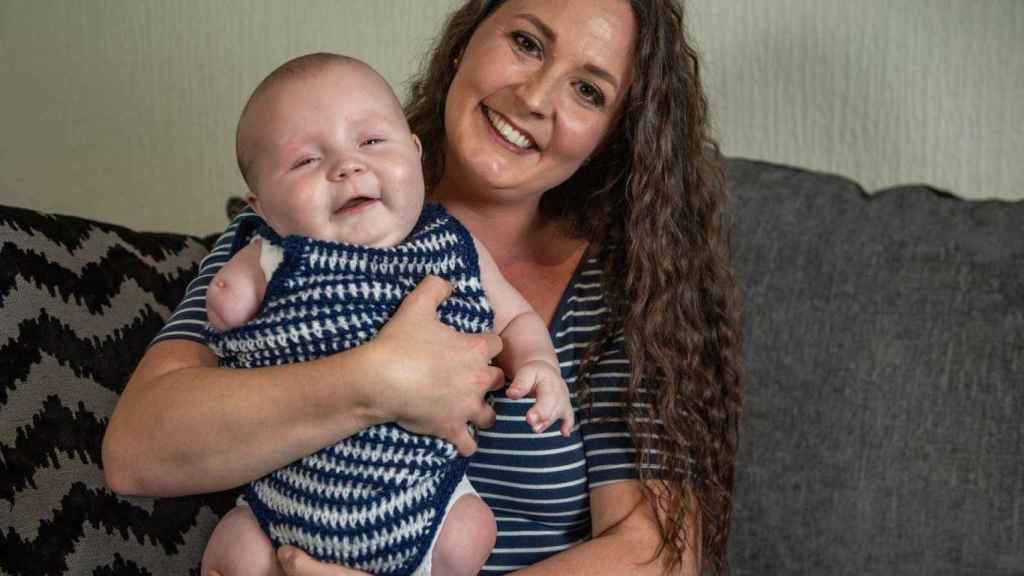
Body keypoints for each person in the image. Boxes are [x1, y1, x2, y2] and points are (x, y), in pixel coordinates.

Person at [103, 1, 743, 575]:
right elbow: (137, 453)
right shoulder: (290, 228)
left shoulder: (627, 295)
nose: (536, 96)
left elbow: (657, 557)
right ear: (466, 42)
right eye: (526, 43)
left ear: (611, 135)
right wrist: (377, 382)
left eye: (587, 90)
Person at [199, 53, 573, 576]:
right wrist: (230, 290)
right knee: (234, 549)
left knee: (472, 530)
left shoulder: (453, 246)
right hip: (286, 503)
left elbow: (513, 319)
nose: (347, 167)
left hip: (419, 500)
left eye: (371, 141)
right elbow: (228, 304)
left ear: (415, 154)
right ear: (260, 208)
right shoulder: (273, 253)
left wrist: (539, 364)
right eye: (307, 160)